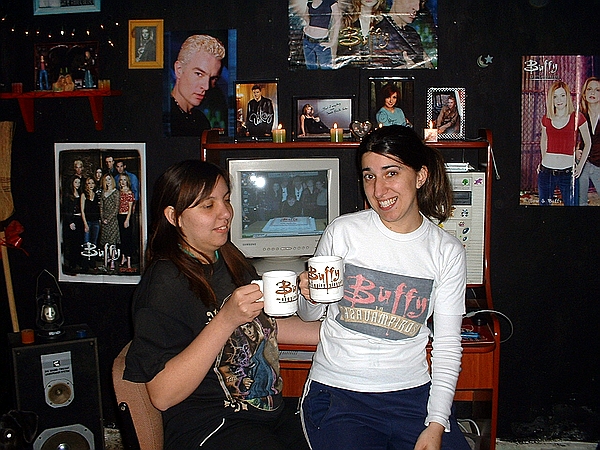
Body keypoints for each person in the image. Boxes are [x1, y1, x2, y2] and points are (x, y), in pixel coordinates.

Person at [123, 160, 320, 450]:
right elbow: (162, 395)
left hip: (265, 413)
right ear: (174, 216)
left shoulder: (227, 256)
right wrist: (226, 319)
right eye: (208, 205)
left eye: (226, 200)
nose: (226, 213)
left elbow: (266, 324)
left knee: (338, 427)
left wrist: (340, 332)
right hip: (210, 423)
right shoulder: (164, 283)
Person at [297, 125, 471, 450]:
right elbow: (310, 315)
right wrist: (308, 294)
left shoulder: (446, 251)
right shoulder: (343, 232)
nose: (378, 190)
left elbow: (448, 346)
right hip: (340, 393)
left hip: (413, 396)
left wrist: (436, 423)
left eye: (391, 173)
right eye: (369, 176)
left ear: (420, 176)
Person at [538, 80, 590, 206]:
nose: (559, 100)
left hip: (568, 173)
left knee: (571, 206)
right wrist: (543, 160)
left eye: (562, 95)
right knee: (544, 208)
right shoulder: (546, 119)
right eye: (555, 96)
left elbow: (588, 143)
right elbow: (544, 140)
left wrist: (580, 166)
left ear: (568, 97)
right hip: (546, 172)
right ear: (551, 99)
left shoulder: (578, 117)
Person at [170, 35, 225, 136]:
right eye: (199, 74)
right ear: (179, 70)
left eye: (213, 78)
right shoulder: (163, 118)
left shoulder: (201, 121)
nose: (206, 86)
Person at [374, 0, 434, 69]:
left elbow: (427, 64)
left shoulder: (412, 33)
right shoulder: (378, 34)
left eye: (421, 2)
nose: (417, 8)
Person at [293, 0, 342, 69]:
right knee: (310, 68)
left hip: (321, 43)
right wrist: (307, 24)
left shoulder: (330, 2)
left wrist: (333, 42)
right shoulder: (309, 3)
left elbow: (338, 20)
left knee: (326, 68)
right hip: (307, 41)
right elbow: (306, 16)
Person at [575, 77, 600, 206]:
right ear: (584, 93)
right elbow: (572, 137)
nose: (593, 93)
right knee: (581, 202)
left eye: (597, 90)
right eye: (589, 89)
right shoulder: (580, 116)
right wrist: (575, 150)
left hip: (599, 165)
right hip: (583, 163)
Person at [99, 173, 120, 271]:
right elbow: (101, 207)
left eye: (109, 179)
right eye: (106, 180)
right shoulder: (103, 192)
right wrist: (103, 218)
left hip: (113, 221)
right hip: (104, 221)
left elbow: (116, 208)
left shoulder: (116, 192)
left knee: (112, 243)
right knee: (105, 243)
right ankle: (105, 261)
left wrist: (109, 219)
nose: (108, 181)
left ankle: (112, 261)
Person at [62, 176, 83, 273]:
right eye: (76, 182)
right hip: (72, 220)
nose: (77, 184)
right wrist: (70, 222)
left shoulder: (80, 193)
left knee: (79, 242)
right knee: (72, 243)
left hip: (80, 220)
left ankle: (78, 261)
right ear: (72, 183)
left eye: (79, 182)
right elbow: (66, 210)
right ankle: (72, 263)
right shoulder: (68, 195)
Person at [80, 177, 101, 270]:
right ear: (86, 185)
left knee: (94, 243)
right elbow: (82, 211)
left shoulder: (96, 195)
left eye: (92, 183)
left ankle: (92, 263)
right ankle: (85, 264)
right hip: (87, 222)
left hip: (96, 222)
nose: (91, 185)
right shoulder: (84, 195)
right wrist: (85, 224)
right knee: (86, 243)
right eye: (89, 183)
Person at [117, 174, 135, 271]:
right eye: (121, 180)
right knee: (122, 239)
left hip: (126, 216)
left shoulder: (129, 193)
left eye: (124, 180)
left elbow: (130, 208)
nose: (122, 182)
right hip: (119, 216)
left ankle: (129, 260)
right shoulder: (118, 192)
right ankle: (123, 257)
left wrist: (127, 220)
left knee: (128, 239)